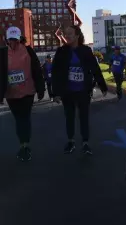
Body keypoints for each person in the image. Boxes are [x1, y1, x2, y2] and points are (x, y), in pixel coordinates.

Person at [52, 25, 108, 155]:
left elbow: (95, 69)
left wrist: (102, 85)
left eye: (70, 33)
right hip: (68, 91)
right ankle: (71, 141)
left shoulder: (86, 50)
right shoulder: (61, 51)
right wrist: (56, 93)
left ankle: (85, 143)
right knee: (69, 117)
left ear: (77, 35)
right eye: (65, 34)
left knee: (84, 117)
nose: (67, 36)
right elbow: (56, 73)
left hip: (83, 91)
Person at [0, 27, 45, 161]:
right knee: (18, 119)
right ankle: (23, 144)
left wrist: (41, 88)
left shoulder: (28, 50)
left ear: (20, 38)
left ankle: (25, 145)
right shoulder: (2, 53)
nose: (12, 41)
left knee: (24, 118)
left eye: (15, 39)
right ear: (6, 39)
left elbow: (37, 70)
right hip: (11, 93)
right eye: (10, 39)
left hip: (27, 91)